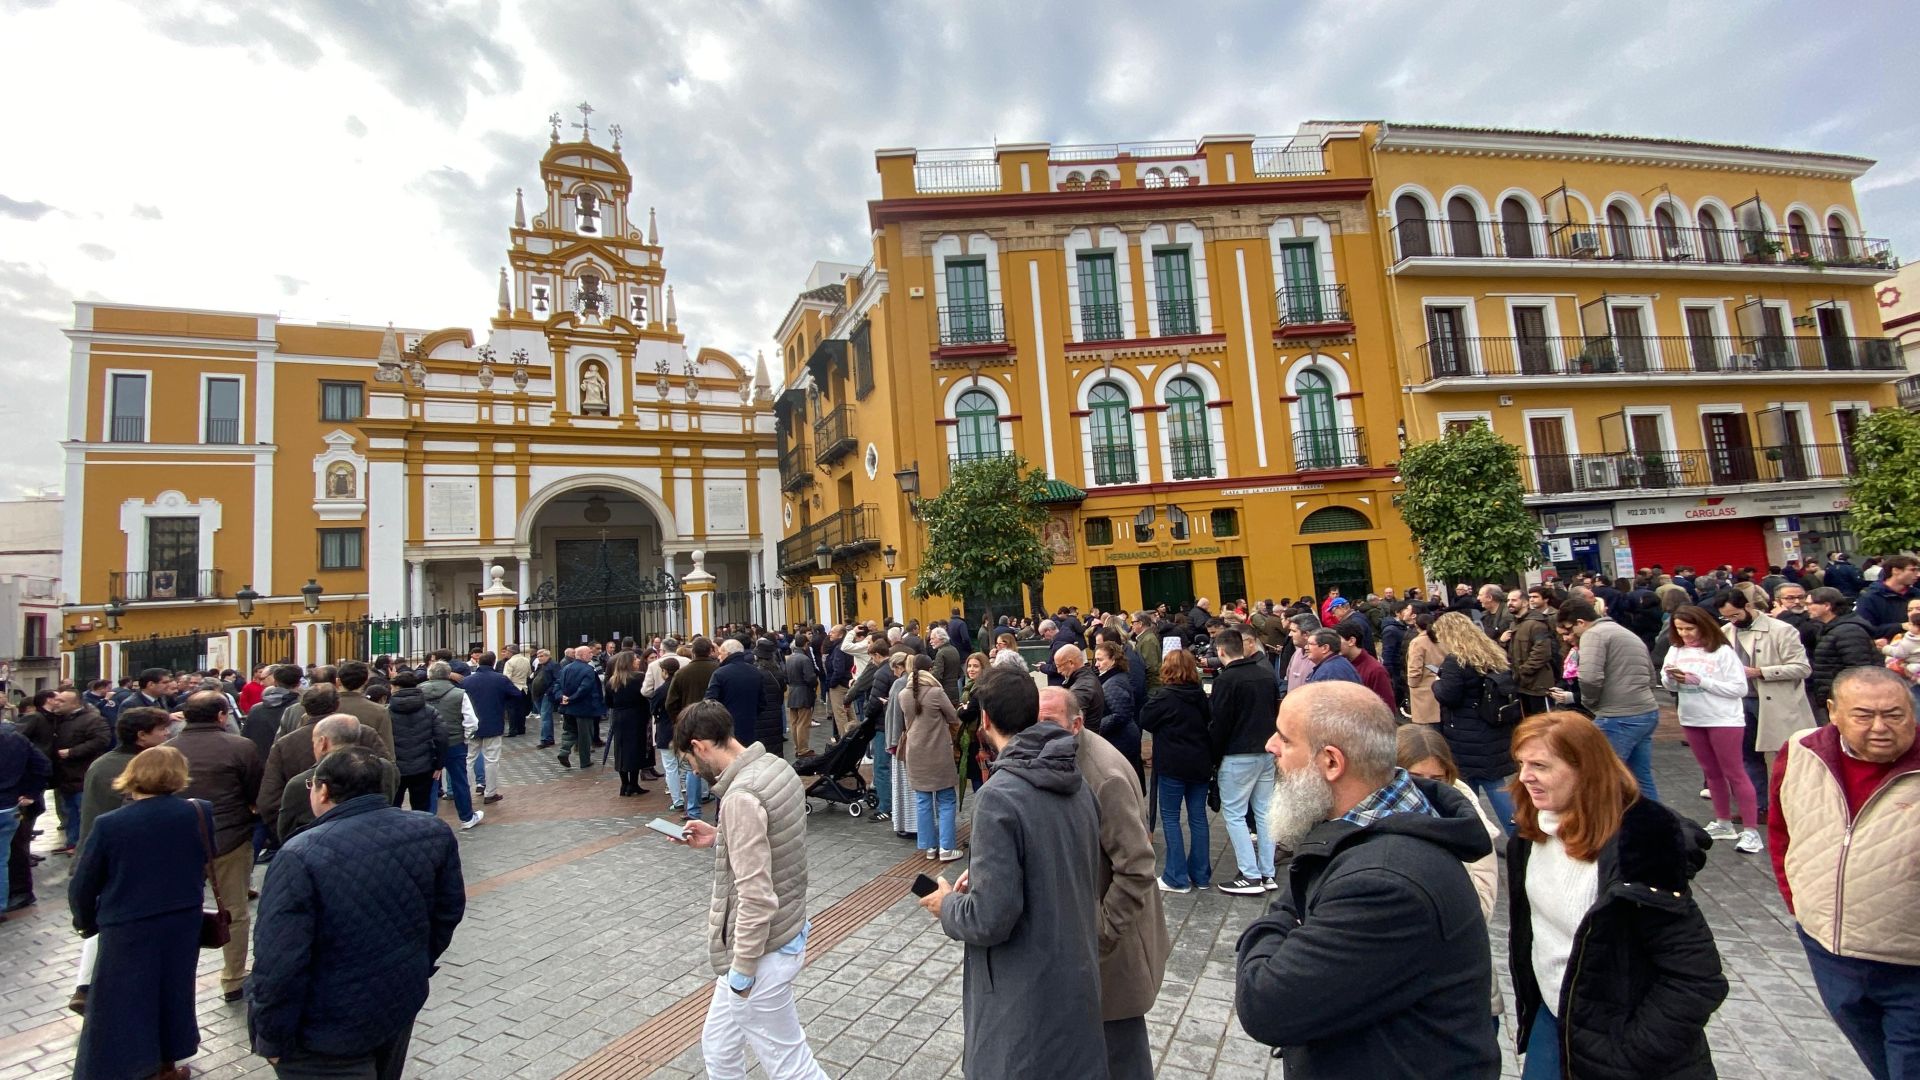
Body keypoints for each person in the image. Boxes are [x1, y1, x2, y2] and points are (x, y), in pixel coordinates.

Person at [1234, 682, 1496, 1077]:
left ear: (1332, 763)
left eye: (1285, 740)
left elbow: (1264, 1003)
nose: (1271, 746)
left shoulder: (1384, 883)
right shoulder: (1364, 834)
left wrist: (1278, 919)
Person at [1507, 711, 1727, 1079]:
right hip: (1553, 1017)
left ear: (1585, 770)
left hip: (1619, 1042)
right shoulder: (1531, 837)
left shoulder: (1639, 853)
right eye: (1521, 763)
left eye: (1540, 765)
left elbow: (1697, 978)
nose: (1525, 776)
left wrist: (1630, 1054)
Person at [918, 666, 1105, 1079]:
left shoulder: (999, 797)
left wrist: (948, 905)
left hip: (1022, 1004)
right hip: (1076, 982)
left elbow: (990, 918)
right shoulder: (1075, 778)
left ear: (984, 720)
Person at [249, 746, 466, 1079]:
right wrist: (418, 961)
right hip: (396, 1003)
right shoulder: (430, 830)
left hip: (325, 1031)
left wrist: (271, 1038)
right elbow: (447, 911)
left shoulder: (300, 854)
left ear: (322, 789)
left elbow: (279, 962)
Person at [1769, 665, 1919, 1080]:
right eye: (1863, 715)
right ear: (1833, 712)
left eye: (1894, 714)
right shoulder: (1801, 752)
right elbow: (1783, 835)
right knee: (1879, 1061)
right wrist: (1800, 905)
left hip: (1910, 963)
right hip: (1829, 952)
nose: (1880, 727)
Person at [667, 701, 828, 1080]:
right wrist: (721, 837)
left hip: (759, 954)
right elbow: (775, 838)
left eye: (689, 759)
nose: (692, 768)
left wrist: (742, 970)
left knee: (791, 1066)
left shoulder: (740, 797)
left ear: (701, 746)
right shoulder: (774, 767)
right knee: (719, 1046)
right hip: (783, 934)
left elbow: (756, 896)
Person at [1037, 686, 1169, 1079]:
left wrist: (1103, 930)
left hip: (1117, 949)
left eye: (1049, 724)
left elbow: (1138, 865)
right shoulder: (1069, 755)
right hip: (1095, 941)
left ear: (1076, 724)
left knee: (1122, 1054)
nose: (1038, 733)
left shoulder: (1102, 774)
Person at [68, 745, 205, 1080]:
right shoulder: (199, 811)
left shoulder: (111, 824)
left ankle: (129, 1067)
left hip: (128, 922)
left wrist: (86, 922)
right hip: (182, 918)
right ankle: (166, 1064)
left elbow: (84, 882)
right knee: (173, 992)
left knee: (123, 1000)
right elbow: (203, 857)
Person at [1396, 724, 1503, 1027]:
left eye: (1437, 779)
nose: (1425, 788)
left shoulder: (1468, 826)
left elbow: (1479, 907)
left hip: (1457, 991)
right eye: (1415, 778)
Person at [169, 689, 265, 1002]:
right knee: (234, 910)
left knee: (181, 909)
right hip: (229, 837)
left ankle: (175, 978)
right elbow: (255, 792)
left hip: (179, 841)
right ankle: (233, 978)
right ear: (222, 716)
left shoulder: (167, 750)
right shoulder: (240, 746)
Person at [1661, 605, 1763, 852]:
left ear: (1702, 625)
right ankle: (1723, 822)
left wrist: (1701, 681)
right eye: (1679, 629)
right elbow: (1670, 687)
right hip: (1692, 717)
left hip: (1723, 718)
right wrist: (1670, 678)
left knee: (1735, 772)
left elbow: (1739, 688)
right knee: (1711, 772)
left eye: (1689, 628)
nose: (1685, 634)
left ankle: (1751, 831)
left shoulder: (1722, 651)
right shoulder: (1675, 650)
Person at [1717, 587, 1814, 822]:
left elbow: (1802, 668)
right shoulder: (1725, 632)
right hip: (1739, 702)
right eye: (1726, 617)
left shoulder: (1781, 630)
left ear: (1748, 607)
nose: (1732, 621)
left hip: (1775, 702)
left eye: (1735, 615)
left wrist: (1760, 672)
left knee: (1787, 755)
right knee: (1747, 756)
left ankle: (1796, 807)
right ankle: (1758, 807)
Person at [1555, 600, 1662, 800]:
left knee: (1598, 776)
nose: (1569, 638)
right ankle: (1657, 826)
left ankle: (1606, 827)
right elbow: (1650, 675)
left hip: (1618, 715)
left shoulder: (1593, 635)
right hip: (1646, 711)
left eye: (1569, 630)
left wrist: (1589, 703)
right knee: (1641, 777)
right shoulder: (1624, 632)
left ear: (1580, 622)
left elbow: (1589, 677)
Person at [1429, 610, 1518, 833]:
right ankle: (1520, 836)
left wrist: (1436, 682)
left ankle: (1472, 834)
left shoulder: (1455, 661)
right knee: (1496, 786)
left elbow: (1448, 695)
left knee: (1467, 792)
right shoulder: (1491, 654)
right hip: (1493, 730)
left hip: (1465, 734)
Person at [1208, 627, 1279, 895]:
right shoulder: (1265, 674)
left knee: (1235, 815)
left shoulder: (1226, 680)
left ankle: (1250, 875)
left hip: (1237, 754)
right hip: (1266, 751)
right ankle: (1267, 873)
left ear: (1221, 651)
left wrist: (1213, 757)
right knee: (1264, 813)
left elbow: (1219, 723)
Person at [1140, 649, 1213, 892]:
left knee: (1171, 818)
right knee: (1198, 817)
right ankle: (1201, 875)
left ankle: (1176, 876)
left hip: (1172, 763)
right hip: (1200, 762)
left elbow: (1145, 720)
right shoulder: (1200, 696)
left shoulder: (1164, 697)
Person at [899, 656, 963, 860]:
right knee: (946, 798)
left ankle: (929, 847)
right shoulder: (936, 692)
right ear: (930, 669)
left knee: (923, 799)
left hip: (915, 751)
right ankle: (946, 848)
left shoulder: (903, 694)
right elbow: (953, 717)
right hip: (938, 751)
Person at [43, 689, 112, 852]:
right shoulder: (57, 720)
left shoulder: (92, 720)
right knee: (68, 812)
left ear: (75, 704)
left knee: (83, 811)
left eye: (61, 701)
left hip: (82, 774)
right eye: (56, 700)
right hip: (64, 776)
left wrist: (72, 752)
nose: (56, 703)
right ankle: (72, 843)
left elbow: (102, 740)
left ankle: (85, 846)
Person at [0, 712, 51, 913]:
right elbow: (43, 766)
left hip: (7, 804)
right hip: (8, 806)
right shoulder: (15, 738)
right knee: (3, 858)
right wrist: (30, 792)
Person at [1807, 587, 1883, 719]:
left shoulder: (1849, 631)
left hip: (1848, 699)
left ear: (1826, 606)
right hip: (1836, 697)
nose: (1806, 608)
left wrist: (1847, 697)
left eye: (1810, 604)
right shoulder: (1830, 628)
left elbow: (1858, 668)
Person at [384, 671, 444, 812]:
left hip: (395, 766)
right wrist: (439, 764)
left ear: (397, 688)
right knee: (421, 806)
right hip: (423, 766)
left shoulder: (385, 712)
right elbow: (441, 737)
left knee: (393, 806)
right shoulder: (430, 711)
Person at [1092, 640, 1142, 789]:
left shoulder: (1113, 682)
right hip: (1122, 738)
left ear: (1113, 660)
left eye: (1100, 660)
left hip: (1121, 740)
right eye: (1096, 659)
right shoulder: (1114, 678)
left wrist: (1095, 728)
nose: (1096, 664)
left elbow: (1120, 715)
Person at [604, 650, 651, 796]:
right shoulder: (639, 678)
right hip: (637, 716)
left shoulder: (612, 681)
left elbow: (608, 702)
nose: (638, 661)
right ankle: (633, 783)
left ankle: (624, 784)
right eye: (635, 659)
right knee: (636, 749)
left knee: (621, 749)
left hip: (619, 717)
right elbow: (646, 695)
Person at [556, 644, 605, 769]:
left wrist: (562, 697)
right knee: (585, 735)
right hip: (584, 708)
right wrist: (572, 698)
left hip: (567, 707)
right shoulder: (588, 670)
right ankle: (585, 761)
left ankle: (564, 751)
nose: (591, 654)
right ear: (583, 655)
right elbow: (585, 688)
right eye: (589, 653)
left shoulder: (566, 668)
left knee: (569, 731)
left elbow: (558, 685)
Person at [782, 631, 817, 745]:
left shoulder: (790, 659)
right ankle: (803, 749)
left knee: (794, 722)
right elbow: (810, 679)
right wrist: (814, 685)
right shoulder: (805, 659)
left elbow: (785, 677)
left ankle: (798, 747)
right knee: (803, 723)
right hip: (804, 693)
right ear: (806, 644)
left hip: (792, 692)